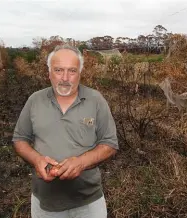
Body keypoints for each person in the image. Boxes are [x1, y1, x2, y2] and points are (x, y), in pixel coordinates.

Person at [12, 44, 119, 218]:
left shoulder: (95, 100)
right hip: (45, 202)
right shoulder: (35, 100)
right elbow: (19, 139)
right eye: (58, 70)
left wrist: (81, 162)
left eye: (72, 71)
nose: (65, 78)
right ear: (49, 73)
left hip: (89, 203)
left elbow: (110, 143)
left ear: (80, 74)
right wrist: (36, 159)